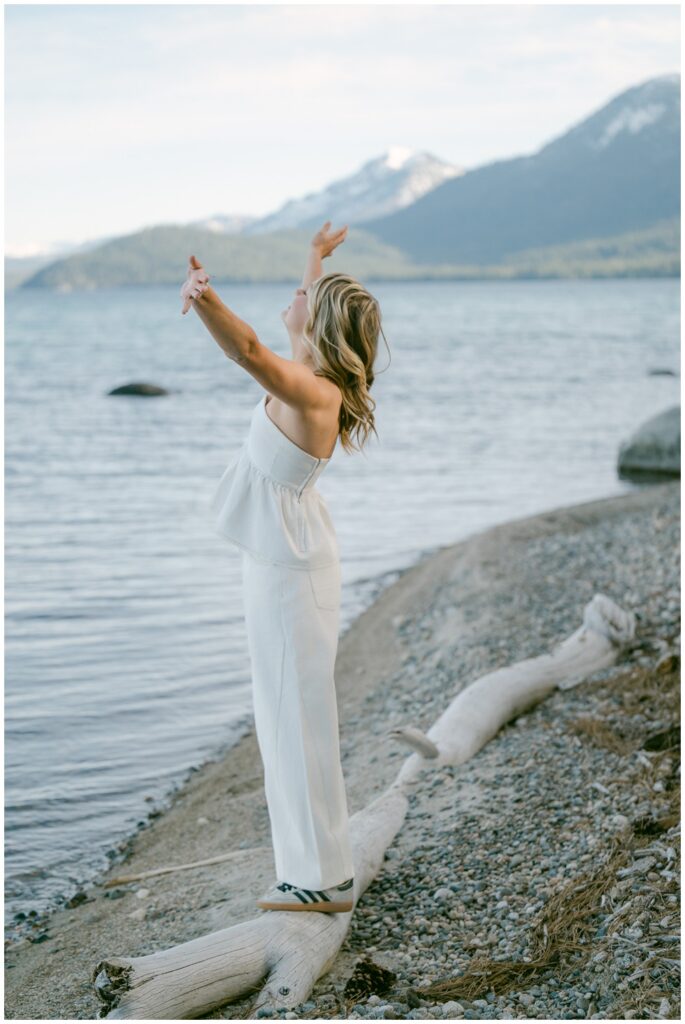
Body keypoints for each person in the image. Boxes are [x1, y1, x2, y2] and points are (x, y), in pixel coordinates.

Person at [180, 222, 388, 913]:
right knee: (285, 715)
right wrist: (316, 258)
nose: (294, 295)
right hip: (280, 556)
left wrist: (204, 298)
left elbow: (245, 350)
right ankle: (315, 867)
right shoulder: (313, 373)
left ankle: (319, 880)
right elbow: (295, 320)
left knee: (293, 717)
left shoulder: (313, 391)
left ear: (318, 321)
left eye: (305, 293)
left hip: (288, 566)